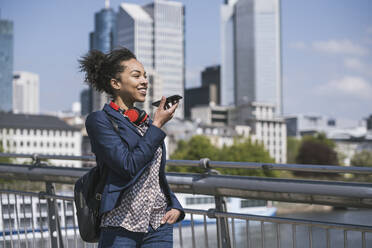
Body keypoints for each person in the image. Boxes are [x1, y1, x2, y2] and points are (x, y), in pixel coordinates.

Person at [80, 47, 185, 247]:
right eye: (136, 76)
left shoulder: (146, 122)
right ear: (116, 83)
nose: (145, 81)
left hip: (158, 225)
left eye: (145, 76)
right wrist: (157, 126)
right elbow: (128, 165)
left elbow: (155, 175)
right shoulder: (99, 121)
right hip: (121, 224)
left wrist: (175, 206)